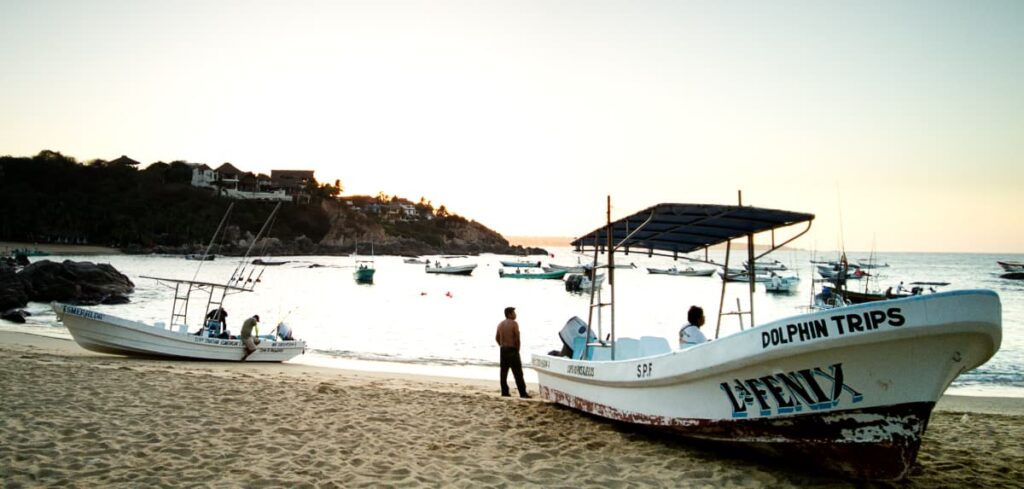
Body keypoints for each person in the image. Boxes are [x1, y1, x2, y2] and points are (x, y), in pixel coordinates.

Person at [495, 306, 530, 398]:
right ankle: (523, 393)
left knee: (503, 372)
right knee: (518, 372)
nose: (515, 314)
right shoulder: (514, 323)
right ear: (509, 314)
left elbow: (497, 338)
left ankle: (504, 392)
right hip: (512, 349)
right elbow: (517, 337)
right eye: (514, 313)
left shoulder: (500, 324)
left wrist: (501, 345)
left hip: (503, 350)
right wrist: (517, 349)